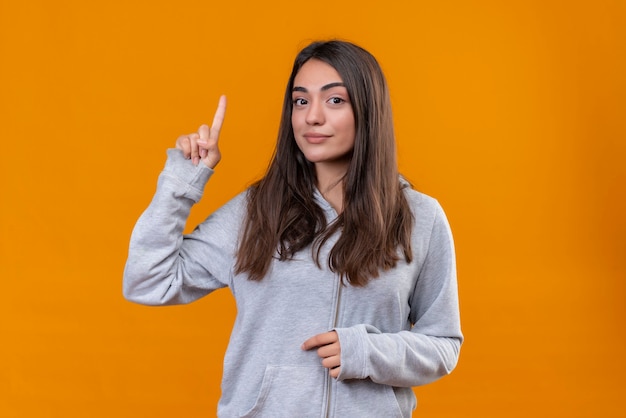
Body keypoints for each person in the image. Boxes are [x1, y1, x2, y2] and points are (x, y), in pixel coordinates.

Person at [123, 40, 463, 417]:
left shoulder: (420, 218)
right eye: (301, 101)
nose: (311, 117)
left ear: (368, 111)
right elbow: (148, 281)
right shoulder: (256, 211)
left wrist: (366, 352)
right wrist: (181, 182)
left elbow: (443, 343)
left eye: (335, 101)